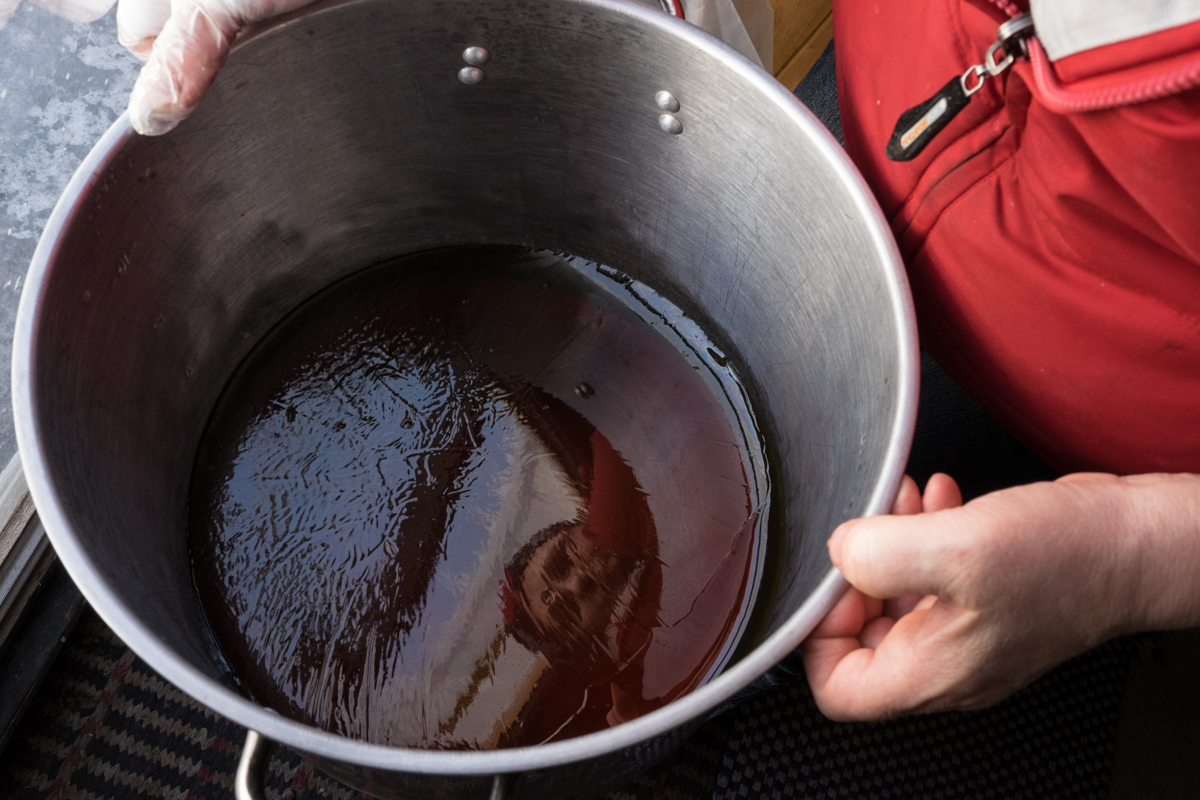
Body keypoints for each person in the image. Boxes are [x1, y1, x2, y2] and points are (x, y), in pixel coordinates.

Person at [116, 0, 1200, 727]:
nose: (579, 578)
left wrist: (1137, 554)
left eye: (557, 584)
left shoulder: (664, 561)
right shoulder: (616, 504)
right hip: (888, 185)